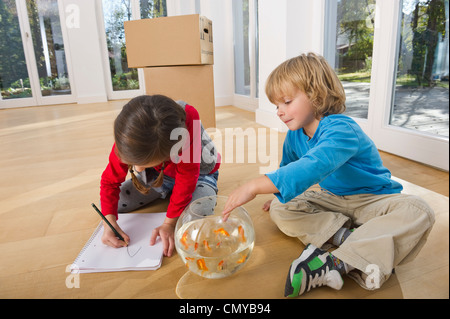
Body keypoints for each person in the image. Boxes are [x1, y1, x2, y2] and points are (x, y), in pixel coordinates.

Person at [222, 53, 435, 297]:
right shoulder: (295, 135)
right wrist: (279, 193)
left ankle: (336, 263)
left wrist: (254, 186)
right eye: (277, 106)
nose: (280, 112)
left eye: (287, 102)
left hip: (373, 200)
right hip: (332, 199)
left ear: (316, 94)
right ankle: (350, 239)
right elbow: (289, 167)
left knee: (419, 210)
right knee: (281, 209)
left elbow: (315, 164)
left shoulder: (342, 128)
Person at [100, 95, 220, 257]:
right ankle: (169, 194)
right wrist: (108, 222)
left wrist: (169, 223)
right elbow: (109, 182)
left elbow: (187, 179)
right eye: (134, 164)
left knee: (198, 211)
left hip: (200, 175)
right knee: (116, 203)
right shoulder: (131, 136)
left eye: (143, 164)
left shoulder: (187, 124)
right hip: (160, 176)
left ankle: (174, 198)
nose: (137, 168)